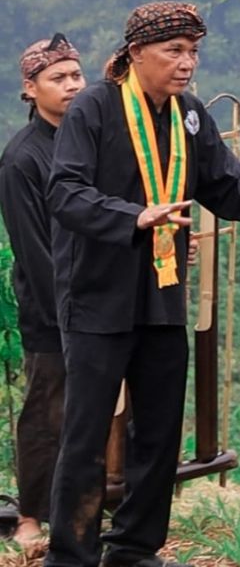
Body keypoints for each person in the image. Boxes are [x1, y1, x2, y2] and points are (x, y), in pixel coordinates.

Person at [45, 1, 240, 567]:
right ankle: (70, 555)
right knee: (86, 436)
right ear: (136, 54)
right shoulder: (94, 110)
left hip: (161, 293)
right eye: (174, 51)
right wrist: (133, 217)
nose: (187, 64)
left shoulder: (189, 115)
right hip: (98, 294)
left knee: (158, 432)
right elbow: (65, 193)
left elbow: (228, 186)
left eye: (194, 52)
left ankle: (134, 548)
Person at [0, 35, 86, 548]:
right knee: (46, 410)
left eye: (76, 75)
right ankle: (31, 514)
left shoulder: (89, 138)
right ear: (31, 89)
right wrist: (68, 313)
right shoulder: (22, 160)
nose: (72, 86)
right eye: (59, 78)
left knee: (93, 410)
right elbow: (35, 252)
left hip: (101, 300)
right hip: (50, 308)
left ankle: (83, 508)